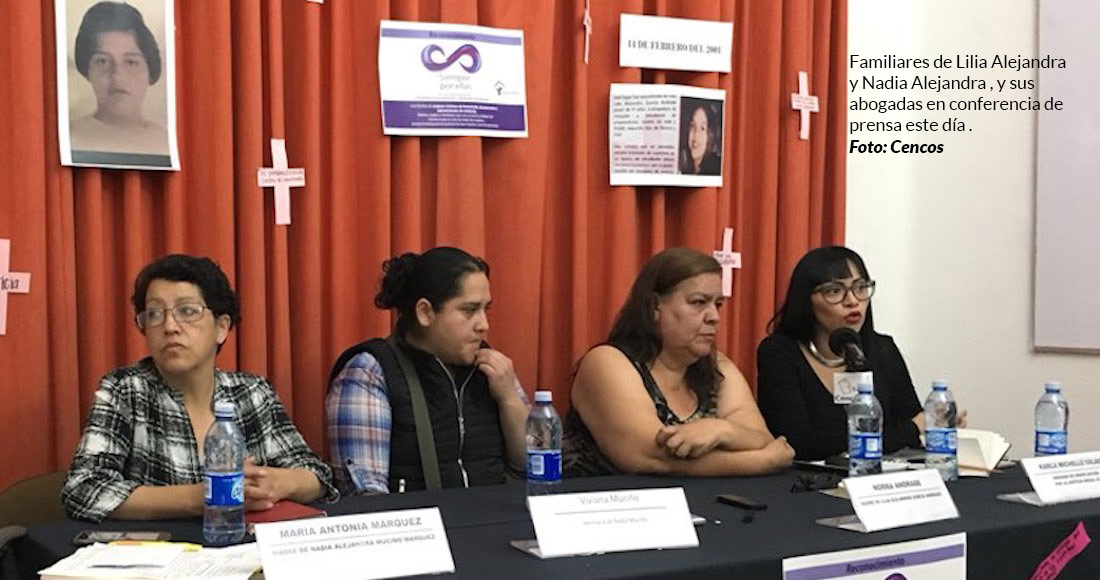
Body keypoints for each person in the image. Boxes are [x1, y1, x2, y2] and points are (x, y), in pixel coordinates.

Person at [62, 255, 337, 522]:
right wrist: (202, 496)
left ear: (221, 327)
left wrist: (277, 482)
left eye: (187, 311)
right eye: (154, 314)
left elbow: (317, 475)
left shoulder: (252, 392)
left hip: (242, 546)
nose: (170, 326)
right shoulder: (125, 390)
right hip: (164, 551)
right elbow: (84, 489)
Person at [563, 248, 794, 477]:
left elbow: (762, 439)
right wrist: (762, 462)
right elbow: (649, 457)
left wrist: (724, 431)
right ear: (655, 306)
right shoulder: (607, 362)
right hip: (604, 498)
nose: (714, 317)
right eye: (698, 302)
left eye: (718, 304)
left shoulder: (718, 366)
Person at [326, 247, 530, 495]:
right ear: (425, 312)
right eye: (469, 310)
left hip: (497, 515)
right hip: (416, 520)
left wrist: (509, 399)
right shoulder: (370, 371)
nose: (484, 325)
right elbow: (367, 496)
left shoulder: (493, 367)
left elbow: (534, 469)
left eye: (485, 309)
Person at [756, 246, 967, 461]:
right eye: (834, 291)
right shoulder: (779, 353)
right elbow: (798, 443)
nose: (852, 300)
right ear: (805, 300)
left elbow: (912, 428)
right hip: (807, 478)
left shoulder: (882, 348)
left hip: (883, 476)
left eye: (860, 287)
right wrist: (914, 427)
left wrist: (938, 424)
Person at [69, 1, 169, 154]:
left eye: (130, 62)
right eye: (102, 61)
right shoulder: (71, 137)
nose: (117, 75)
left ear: (149, 70)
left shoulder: (166, 142)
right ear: (87, 70)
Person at [678, 100, 722, 176]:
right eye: (692, 126)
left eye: (702, 128)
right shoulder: (684, 168)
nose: (696, 134)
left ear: (711, 135)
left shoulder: (715, 169)